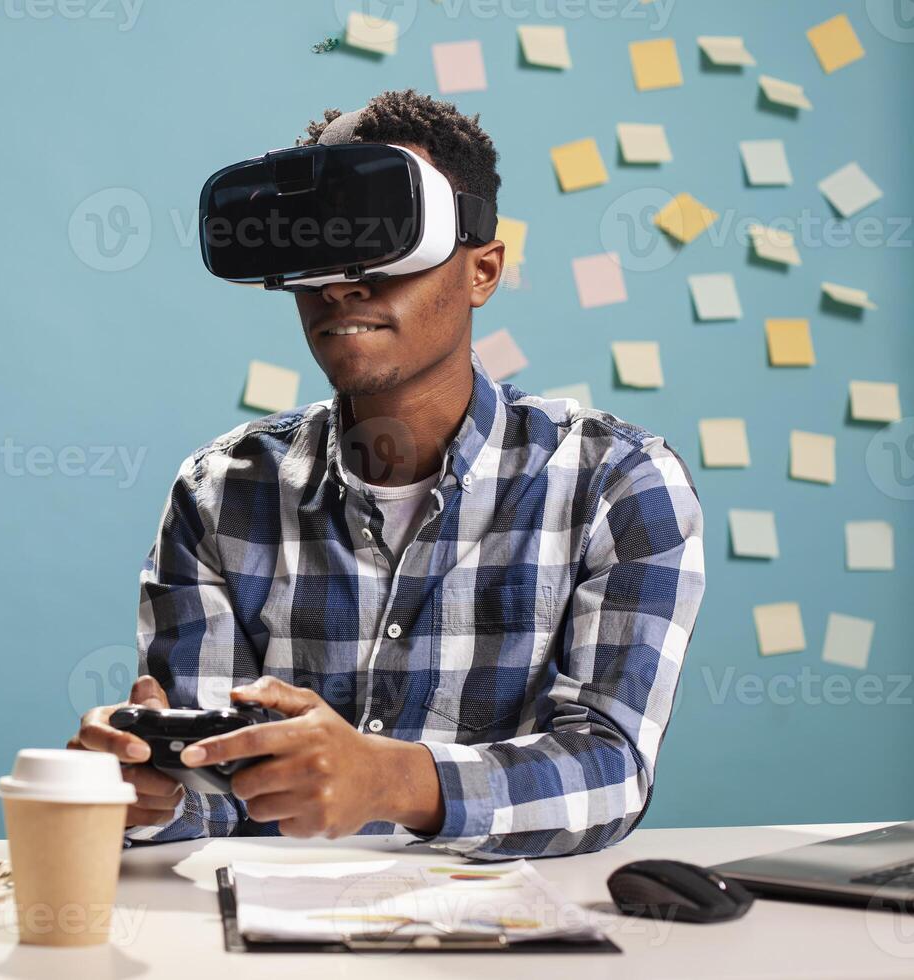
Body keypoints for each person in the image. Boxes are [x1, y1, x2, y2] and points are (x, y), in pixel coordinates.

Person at [70, 89, 705, 860]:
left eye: (381, 239)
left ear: (483, 270)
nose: (342, 284)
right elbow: (214, 797)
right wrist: (154, 792)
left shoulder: (618, 485)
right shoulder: (222, 493)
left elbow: (611, 768)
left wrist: (394, 781)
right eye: (319, 249)